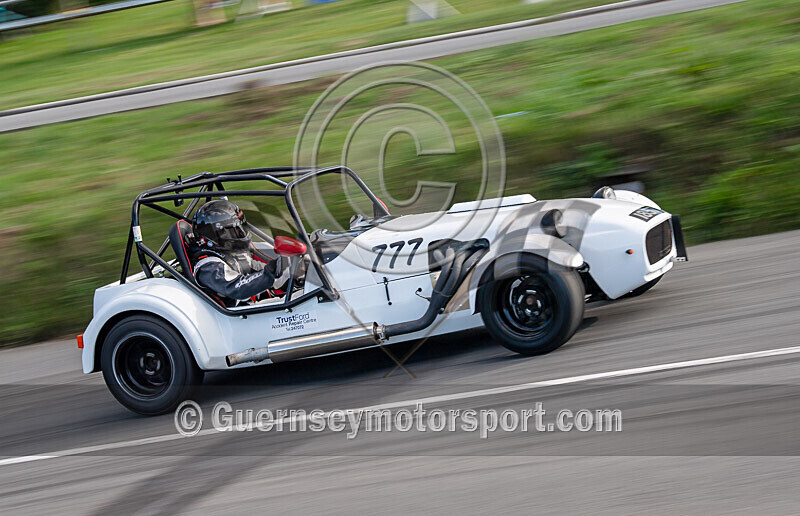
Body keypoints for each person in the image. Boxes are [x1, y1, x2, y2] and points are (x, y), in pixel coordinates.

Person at [189, 200, 291, 305]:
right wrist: (272, 272)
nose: (240, 233)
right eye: (234, 230)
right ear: (217, 235)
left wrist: (288, 270)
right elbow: (238, 288)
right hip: (239, 317)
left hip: (256, 309)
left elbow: (258, 269)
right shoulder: (208, 266)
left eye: (240, 228)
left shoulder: (231, 254)